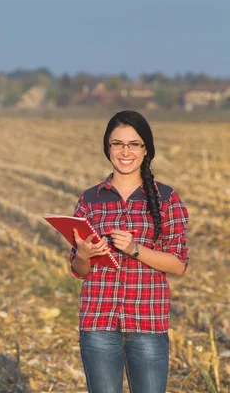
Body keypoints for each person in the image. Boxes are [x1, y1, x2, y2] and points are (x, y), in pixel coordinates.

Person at [69, 110, 189, 393]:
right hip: (98, 321)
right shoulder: (90, 199)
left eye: (134, 144)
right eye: (117, 143)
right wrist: (83, 255)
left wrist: (136, 250)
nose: (125, 151)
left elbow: (178, 264)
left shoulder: (166, 198)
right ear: (107, 148)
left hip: (148, 322)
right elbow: (78, 270)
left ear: (146, 149)